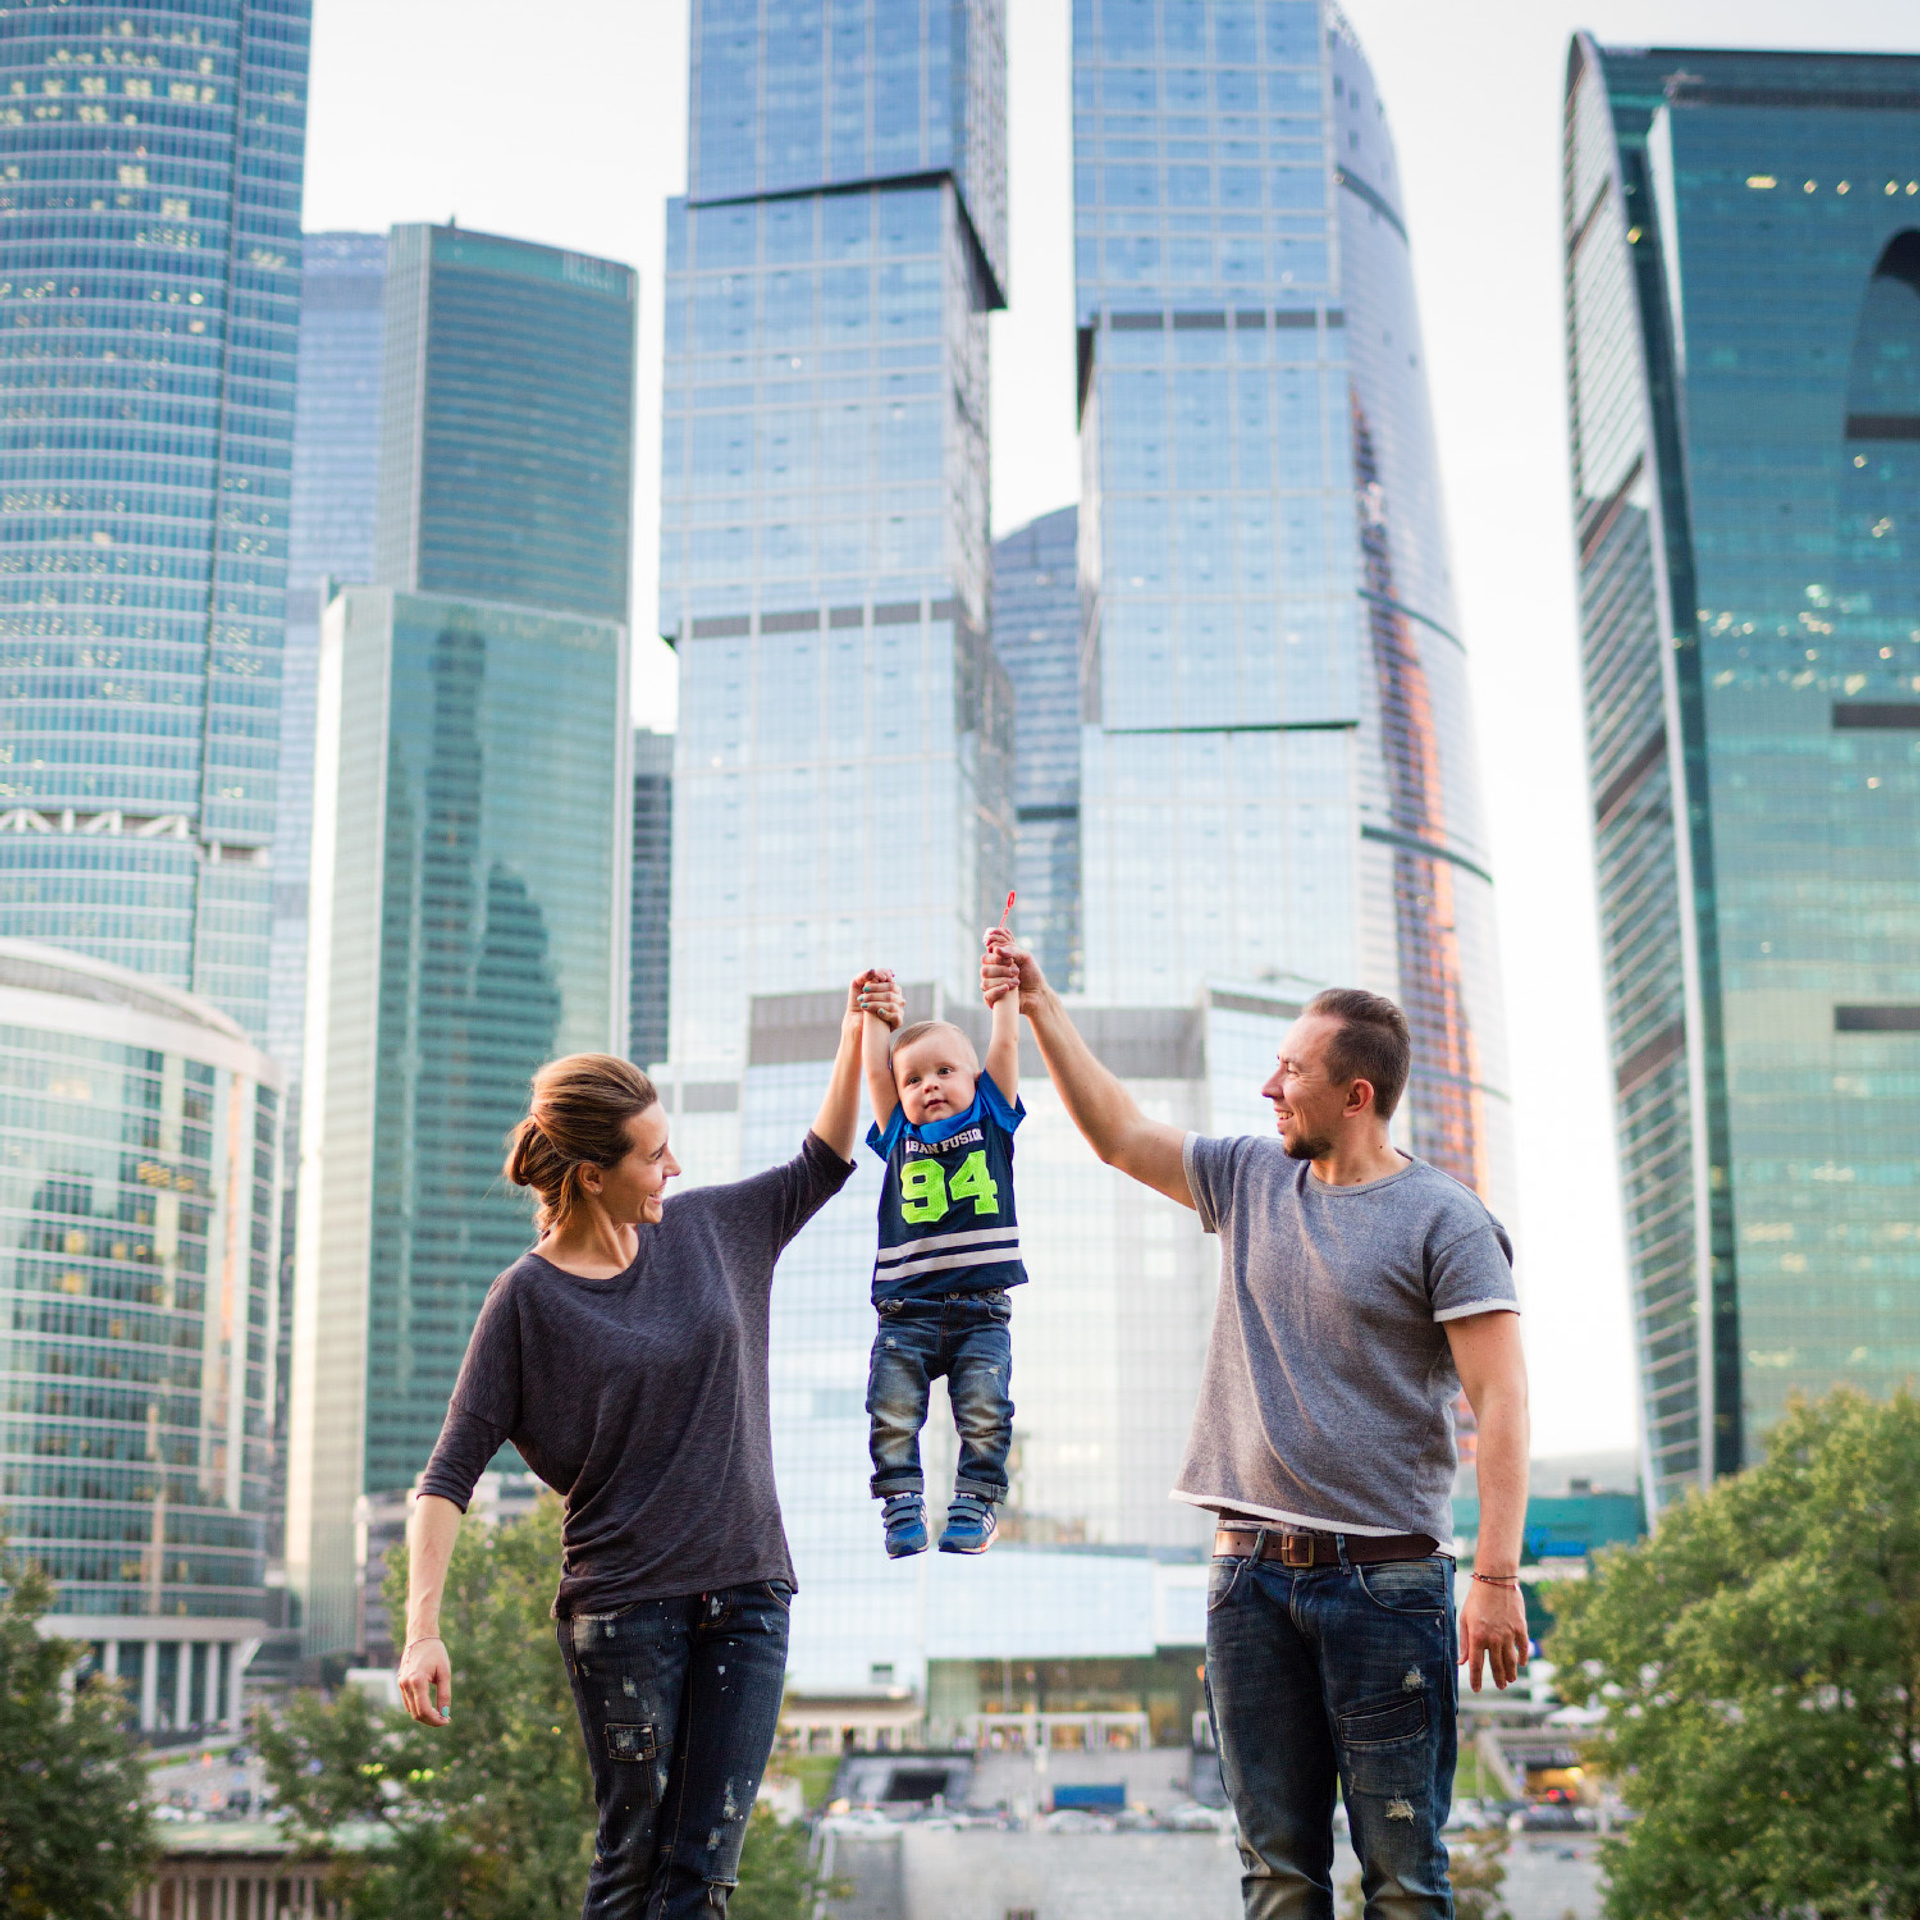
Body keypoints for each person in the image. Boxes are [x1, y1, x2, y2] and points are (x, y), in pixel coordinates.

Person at [981, 936, 1530, 1920]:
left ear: (1356, 1095)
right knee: (1276, 1876)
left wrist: (1495, 1578)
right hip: (1247, 1584)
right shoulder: (1248, 1178)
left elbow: (1502, 1403)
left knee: (1405, 1882)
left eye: (1291, 1072)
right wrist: (1039, 1005)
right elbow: (1120, 1136)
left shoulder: (1445, 1220)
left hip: (1386, 1586)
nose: (1268, 1088)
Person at [394, 972, 886, 1919]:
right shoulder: (527, 1301)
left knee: (703, 1873)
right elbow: (447, 1477)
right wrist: (422, 1631)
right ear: (592, 1174)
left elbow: (822, 1164)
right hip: (626, 1615)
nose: (674, 1168)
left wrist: (855, 1032)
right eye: (654, 1156)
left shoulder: (712, 1229)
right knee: (635, 1863)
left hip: (749, 1592)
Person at [857, 959, 1024, 1557]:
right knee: (892, 1411)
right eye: (913, 1079)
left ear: (977, 1079)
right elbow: (874, 1070)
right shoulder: (898, 1134)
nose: (928, 1085)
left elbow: (1006, 1042)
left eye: (945, 1072)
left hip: (981, 1312)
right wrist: (877, 1015)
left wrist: (1005, 992)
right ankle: (902, 1505)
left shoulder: (993, 1117)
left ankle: (975, 1504)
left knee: (984, 1411)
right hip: (907, 1313)